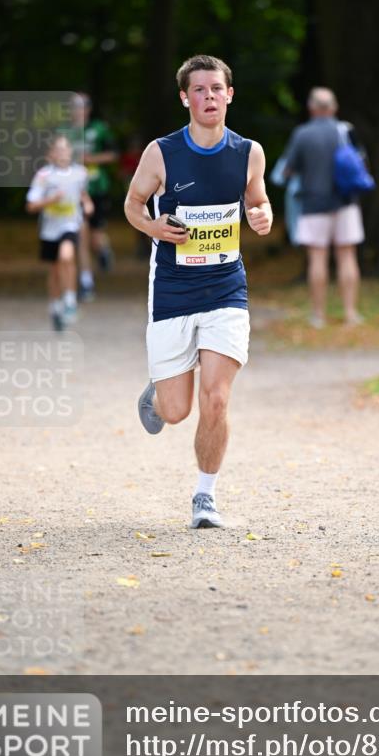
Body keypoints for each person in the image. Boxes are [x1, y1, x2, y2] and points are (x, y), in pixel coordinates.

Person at [124, 54, 272, 529]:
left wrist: (262, 214)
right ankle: (159, 393)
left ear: (229, 94)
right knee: (176, 409)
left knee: (216, 398)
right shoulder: (161, 153)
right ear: (185, 98)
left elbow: (257, 199)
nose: (209, 97)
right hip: (172, 289)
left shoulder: (248, 152)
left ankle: (205, 497)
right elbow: (133, 203)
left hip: (226, 288)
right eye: (200, 90)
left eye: (217, 89)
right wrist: (152, 228)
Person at [284, 87, 365, 327]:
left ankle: (318, 315)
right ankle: (351, 313)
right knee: (347, 256)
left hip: (313, 203)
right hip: (346, 201)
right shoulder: (346, 130)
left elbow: (289, 169)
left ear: (311, 108)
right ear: (333, 108)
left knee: (317, 258)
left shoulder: (302, 134)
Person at [26, 135, 93, 331]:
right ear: (51, 154)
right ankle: (55, 306)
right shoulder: (43, 176)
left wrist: (87, 204)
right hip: (49, 229)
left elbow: (83, 194)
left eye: (66, 149)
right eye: (58, 150)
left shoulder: (80, 173)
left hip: (70, 224)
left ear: (71, 152)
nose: (63, 153)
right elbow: (31, 206)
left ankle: (70, 300)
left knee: (67, 256)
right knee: (55, 270)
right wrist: (50, 200)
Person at [65, 93, 119, 301]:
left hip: (97, 187)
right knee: (81, 235)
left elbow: (113, 154)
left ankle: (103, 250)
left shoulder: (99, 129)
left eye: (82, 106)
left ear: (88, 109)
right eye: (74, 107)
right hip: (74, 190)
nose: (78, 111)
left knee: (95, 237)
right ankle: (86, 282)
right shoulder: (65, 132)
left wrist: (91, 159)